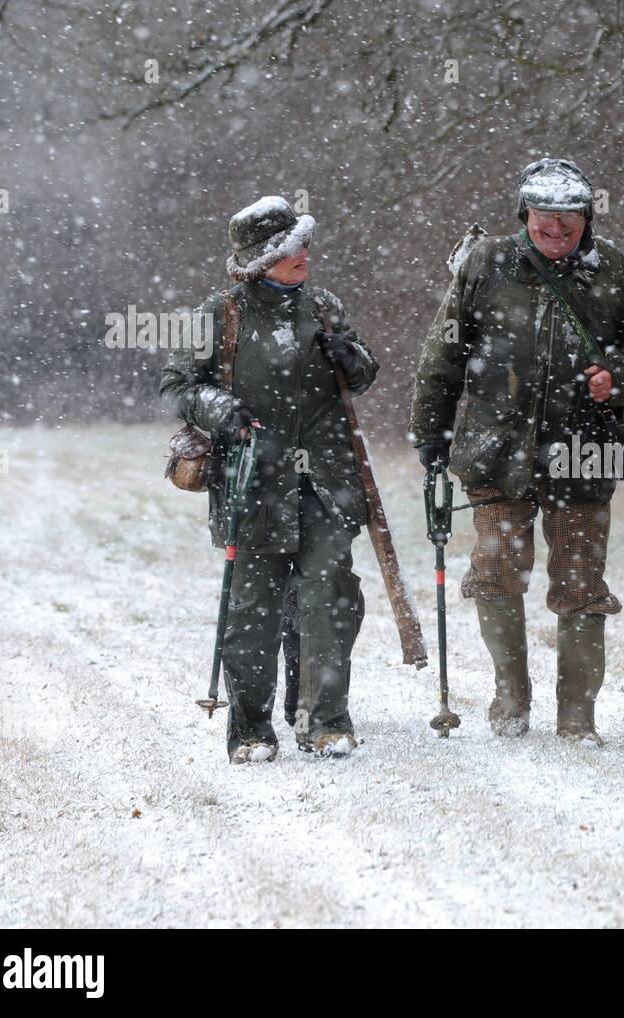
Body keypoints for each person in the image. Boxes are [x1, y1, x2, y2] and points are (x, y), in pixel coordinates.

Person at [409, 159, 624, 744]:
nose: (556, 230)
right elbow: (443, 354)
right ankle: (511, 698)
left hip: (584, 452)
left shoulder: (611, 269)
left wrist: (618, 376)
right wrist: (430, 433)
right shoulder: (485, 263)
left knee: (582, 583)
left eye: (568, 221)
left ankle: (577, 716)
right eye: (544, 219)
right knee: (497, 573)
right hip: (498, 451)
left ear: (587, 219)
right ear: (524, 214)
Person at [162, 196, 379, 762]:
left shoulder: (325, 307)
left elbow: (364, 375)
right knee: (253, 609)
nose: (304, 254)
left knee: (328, 598)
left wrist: (351, 358)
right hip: (252, 483)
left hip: (327, 481)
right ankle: (251, 730)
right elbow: (176, 386)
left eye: (303, 244)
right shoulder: (220, 314)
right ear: (260, 261)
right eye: (290, 249)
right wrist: (220, 408)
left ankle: (323, 721)